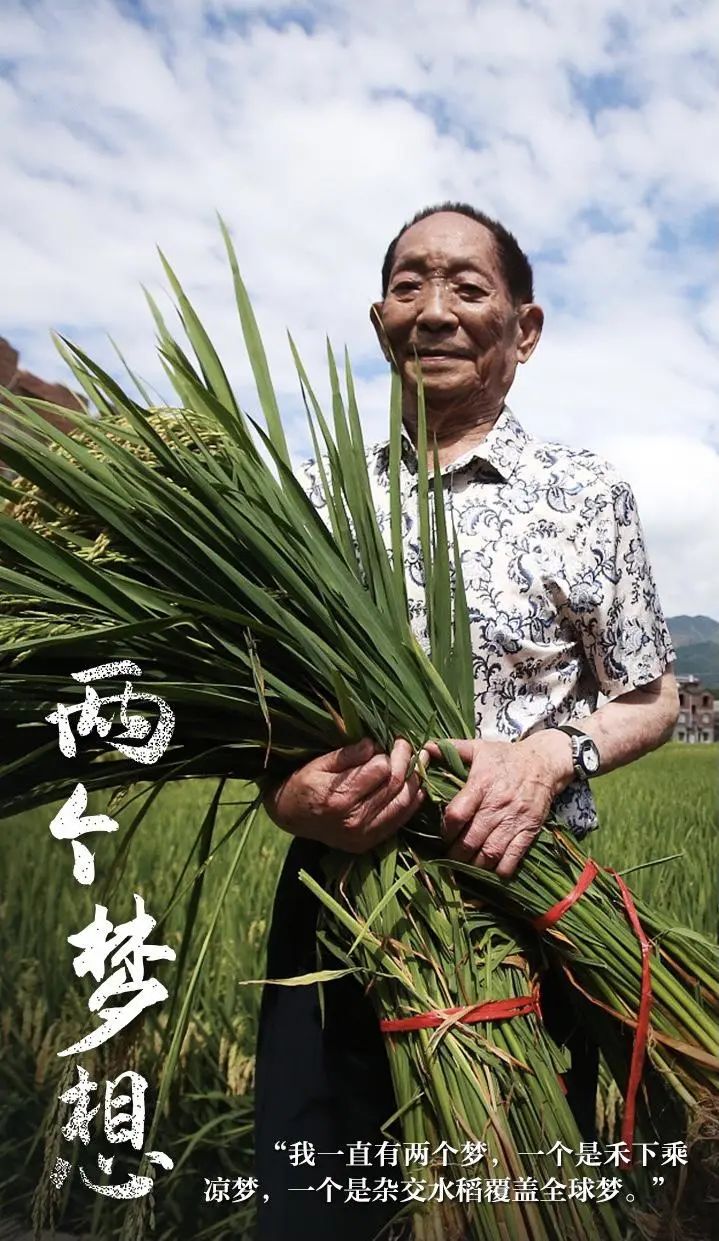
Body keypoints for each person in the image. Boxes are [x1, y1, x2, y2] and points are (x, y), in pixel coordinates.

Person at [253, 203, 680, 1241]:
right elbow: (258, 708)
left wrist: (551, 753)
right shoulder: (313, 498)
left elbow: (649, 691)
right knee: (321, 1201)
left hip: (524, 901)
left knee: (511, 1195)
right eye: (407, 284)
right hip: (341, 898)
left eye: (466, 287)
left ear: (522, 329)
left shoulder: (585, 494)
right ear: (377, 315)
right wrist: (287, 792)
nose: (432, 310)